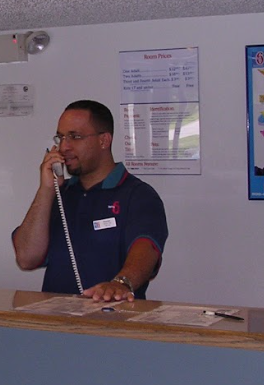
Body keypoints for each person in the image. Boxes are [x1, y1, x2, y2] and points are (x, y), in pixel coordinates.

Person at [12, 100, 167, 301]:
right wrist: (46, 189)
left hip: (113, 314)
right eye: (61, 137)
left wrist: (121, 283)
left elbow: (146, 250)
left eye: (75, 137)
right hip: (55, 316)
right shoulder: (59, 195)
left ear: (104, 140)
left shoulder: (138, 195)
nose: (64, 147)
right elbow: (26, 258)